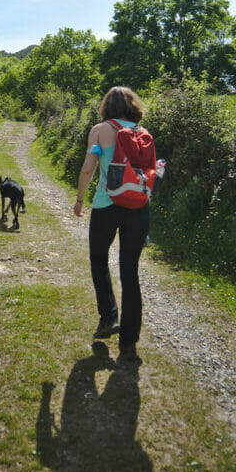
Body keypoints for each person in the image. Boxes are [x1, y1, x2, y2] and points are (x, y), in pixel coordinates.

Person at [73, 86, 151, 363]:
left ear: (107, 105)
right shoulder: (142, 132)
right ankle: (128, 346)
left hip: (106, 206)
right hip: (139, 208)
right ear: (133, 105)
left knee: (98, 259)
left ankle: (108, 318)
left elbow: (87, 168)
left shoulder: (100, 129)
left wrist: (80, 201)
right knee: (130, 274)